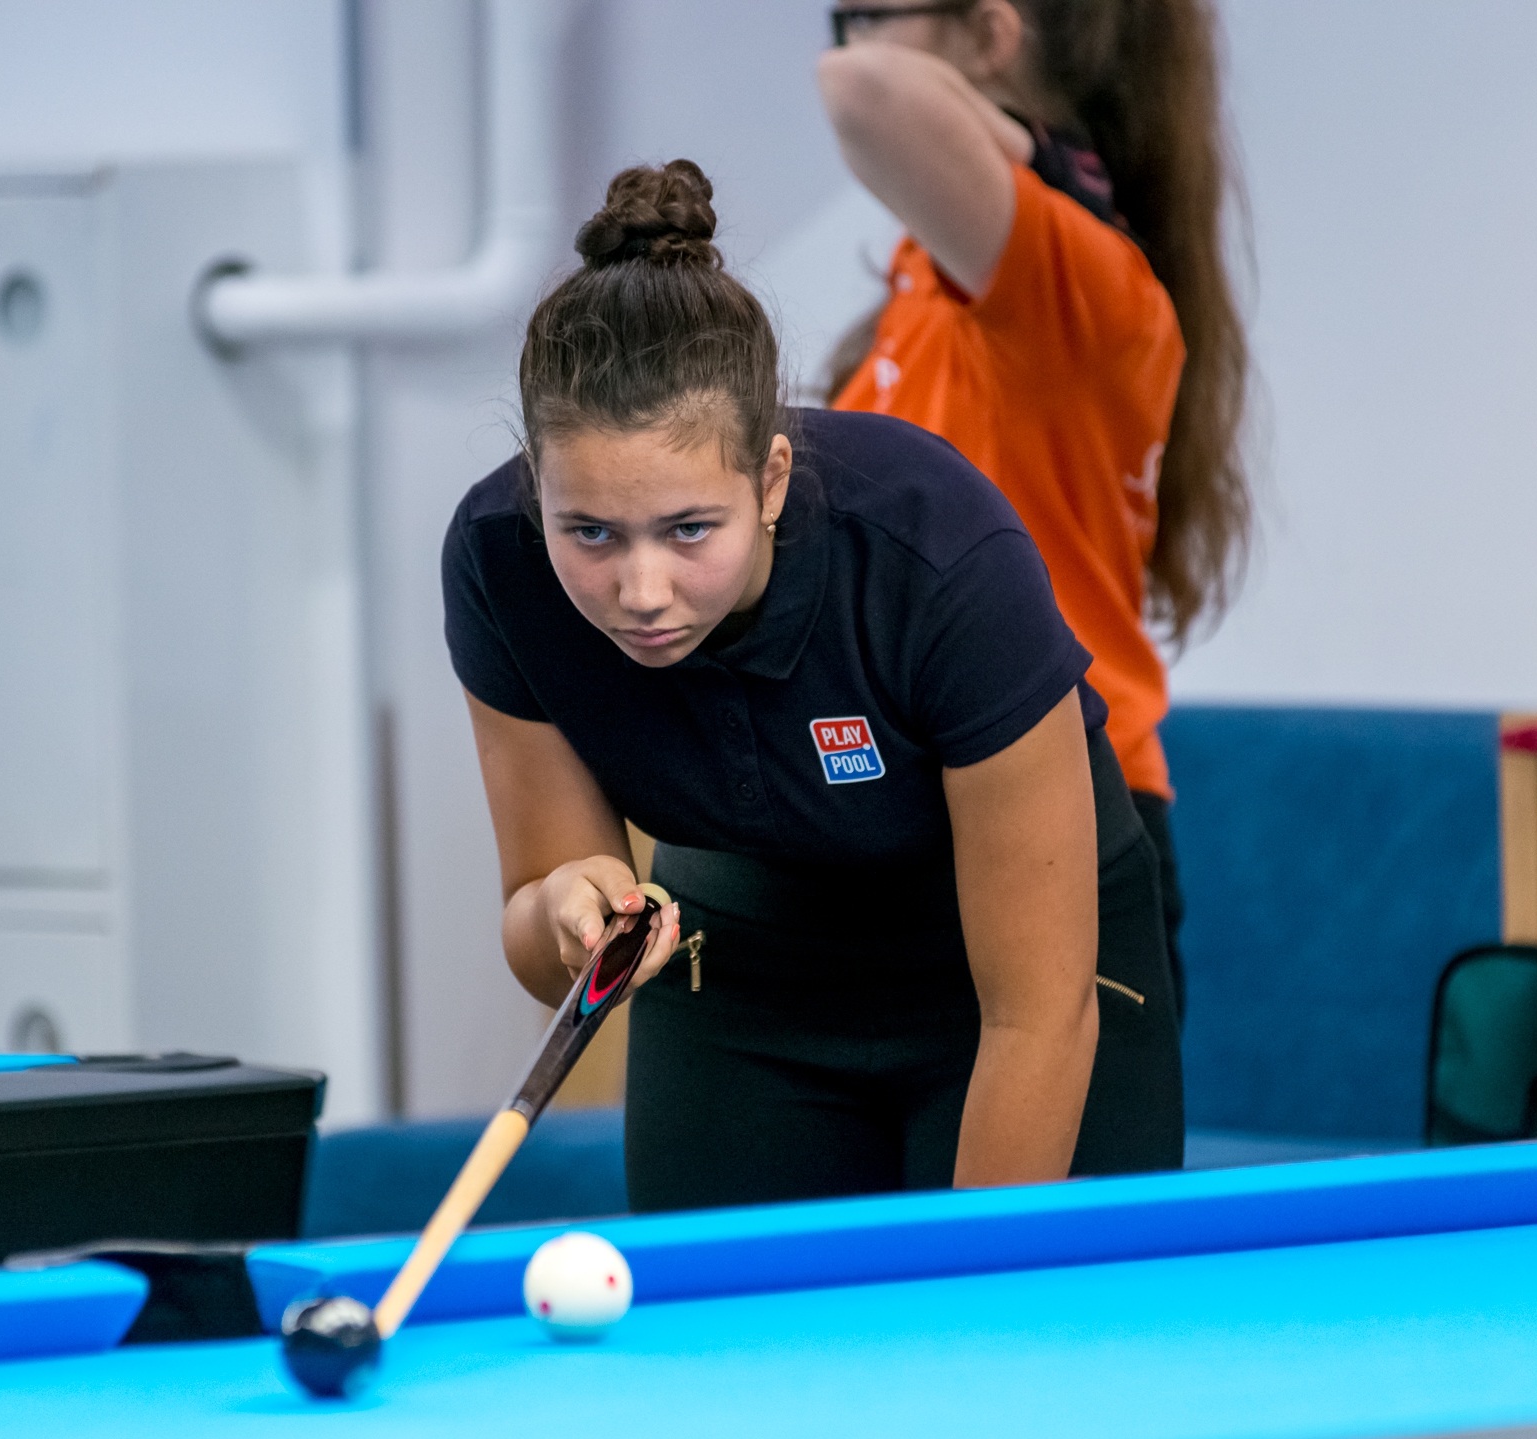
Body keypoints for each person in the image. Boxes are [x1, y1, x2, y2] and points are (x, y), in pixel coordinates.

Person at [445, 161, 1180, 1213]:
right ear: (538, 495)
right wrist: (566, 912)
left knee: (990, 1311)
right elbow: (537, 928)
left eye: (689, 530)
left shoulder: (938, 553)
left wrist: (969, 1288)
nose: (641, 592)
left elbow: (1036, 1014)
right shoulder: (498, 563)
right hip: (744, 973)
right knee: (723, 1323)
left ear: (772, 480)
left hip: (1015, 984)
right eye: (591, 533)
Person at [818, 0, 1251, 1018]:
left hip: (1065, 804)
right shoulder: (933, 280)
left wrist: (1022, 143)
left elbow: (861, 90)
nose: (848, 41)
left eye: (869, 14)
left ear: (990, 35)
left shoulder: (1079, 277)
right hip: (900, 821)